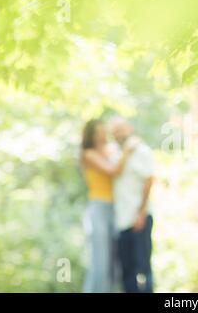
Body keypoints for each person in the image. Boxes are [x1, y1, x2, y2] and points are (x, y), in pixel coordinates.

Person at [80, 119, 133, 293]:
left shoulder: (110, 150)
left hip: (115, 209)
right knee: (100, 262)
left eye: (103, 131)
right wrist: (126, 152)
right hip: (99, 209)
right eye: (98, 132)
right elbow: (113, 171)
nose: (102, 135)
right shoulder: (88, 154)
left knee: (114, 264)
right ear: (91, 135)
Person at [110, 117, 155, 293]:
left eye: (121, 129)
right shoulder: (115, 155)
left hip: (139, 217)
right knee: (127, 270)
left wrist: (141, 213)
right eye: (115, 130)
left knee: (143, 266)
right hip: (122, 220)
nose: (118, 133)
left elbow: (149, 180)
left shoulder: (142, 151)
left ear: (130, 128)